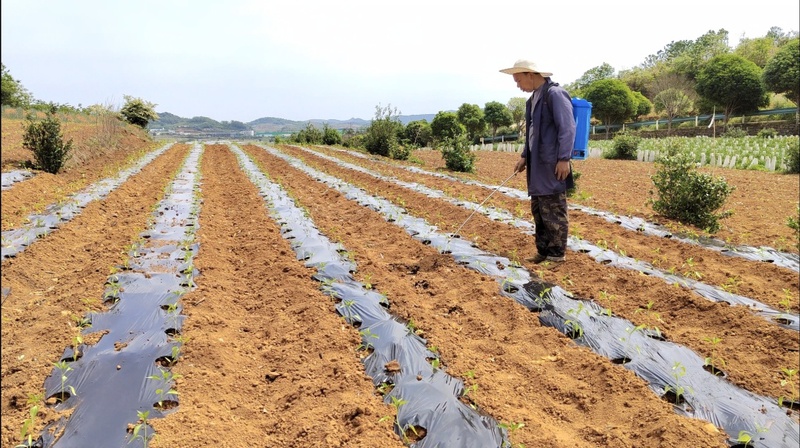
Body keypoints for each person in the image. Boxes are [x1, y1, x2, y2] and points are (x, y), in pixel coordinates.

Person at [499, 59, 576, 264]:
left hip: (552, 164)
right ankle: (542, 252)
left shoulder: (555, 95)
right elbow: (532, 134)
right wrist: (524, 156)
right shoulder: (532, 100)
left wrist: (564, 158)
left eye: (518, 80)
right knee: (539, 210)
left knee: (553, 210)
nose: (518, 85)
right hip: (537, 164)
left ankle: (556, 255)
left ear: (530, 75)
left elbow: (567, 128)